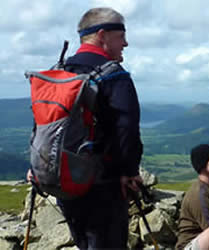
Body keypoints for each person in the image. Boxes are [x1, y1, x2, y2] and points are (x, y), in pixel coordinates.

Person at [31, 7, 143, 249]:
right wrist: (128, 171)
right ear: (102, 35)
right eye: (121, 36)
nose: (126, 43)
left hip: (62, 178)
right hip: (103, 182)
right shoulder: (114, 76)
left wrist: (37, 166)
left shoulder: (60, 71)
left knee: (85, 243)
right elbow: (126, 128)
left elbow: (42, 122)